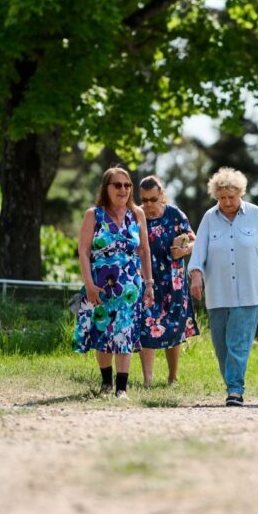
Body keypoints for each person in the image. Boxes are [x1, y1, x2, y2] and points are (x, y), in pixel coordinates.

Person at [188, 168, 258, 407]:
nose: (227, 203)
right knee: (221, 346)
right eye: (222, 198)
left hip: (249, 292)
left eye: (232, 197)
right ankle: (232, 384)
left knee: (238, 343)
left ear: (240, 193)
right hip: (218, 293)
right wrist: (196, 276)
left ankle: (235, 390)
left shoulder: (255, 214)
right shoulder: (209, 218)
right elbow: (198, 253)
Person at [73, 167, 153, 399]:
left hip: (129, 287)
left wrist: (149, 284)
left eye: (127, 185)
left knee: (124, 334)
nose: (123, 190)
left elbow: (144, 250)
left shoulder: (137, 214)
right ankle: (106, 384)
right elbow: (83, 250)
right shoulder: (94, 214)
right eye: (117, 185)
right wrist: (88, 284)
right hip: (100, 286)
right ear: (106, 188)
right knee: (102, 334)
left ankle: (121, 389)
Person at [138, 175, 200, 388]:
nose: (148, 205)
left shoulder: (174, 214)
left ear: (161, 196)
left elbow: (194, 240)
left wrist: (184, 249)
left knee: (174, 327)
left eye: (153, 199)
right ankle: (147, 380)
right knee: (147, 326)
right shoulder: (136, 215)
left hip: (173, 281)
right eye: (144, 200)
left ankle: (173, 377)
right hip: (147, 280)